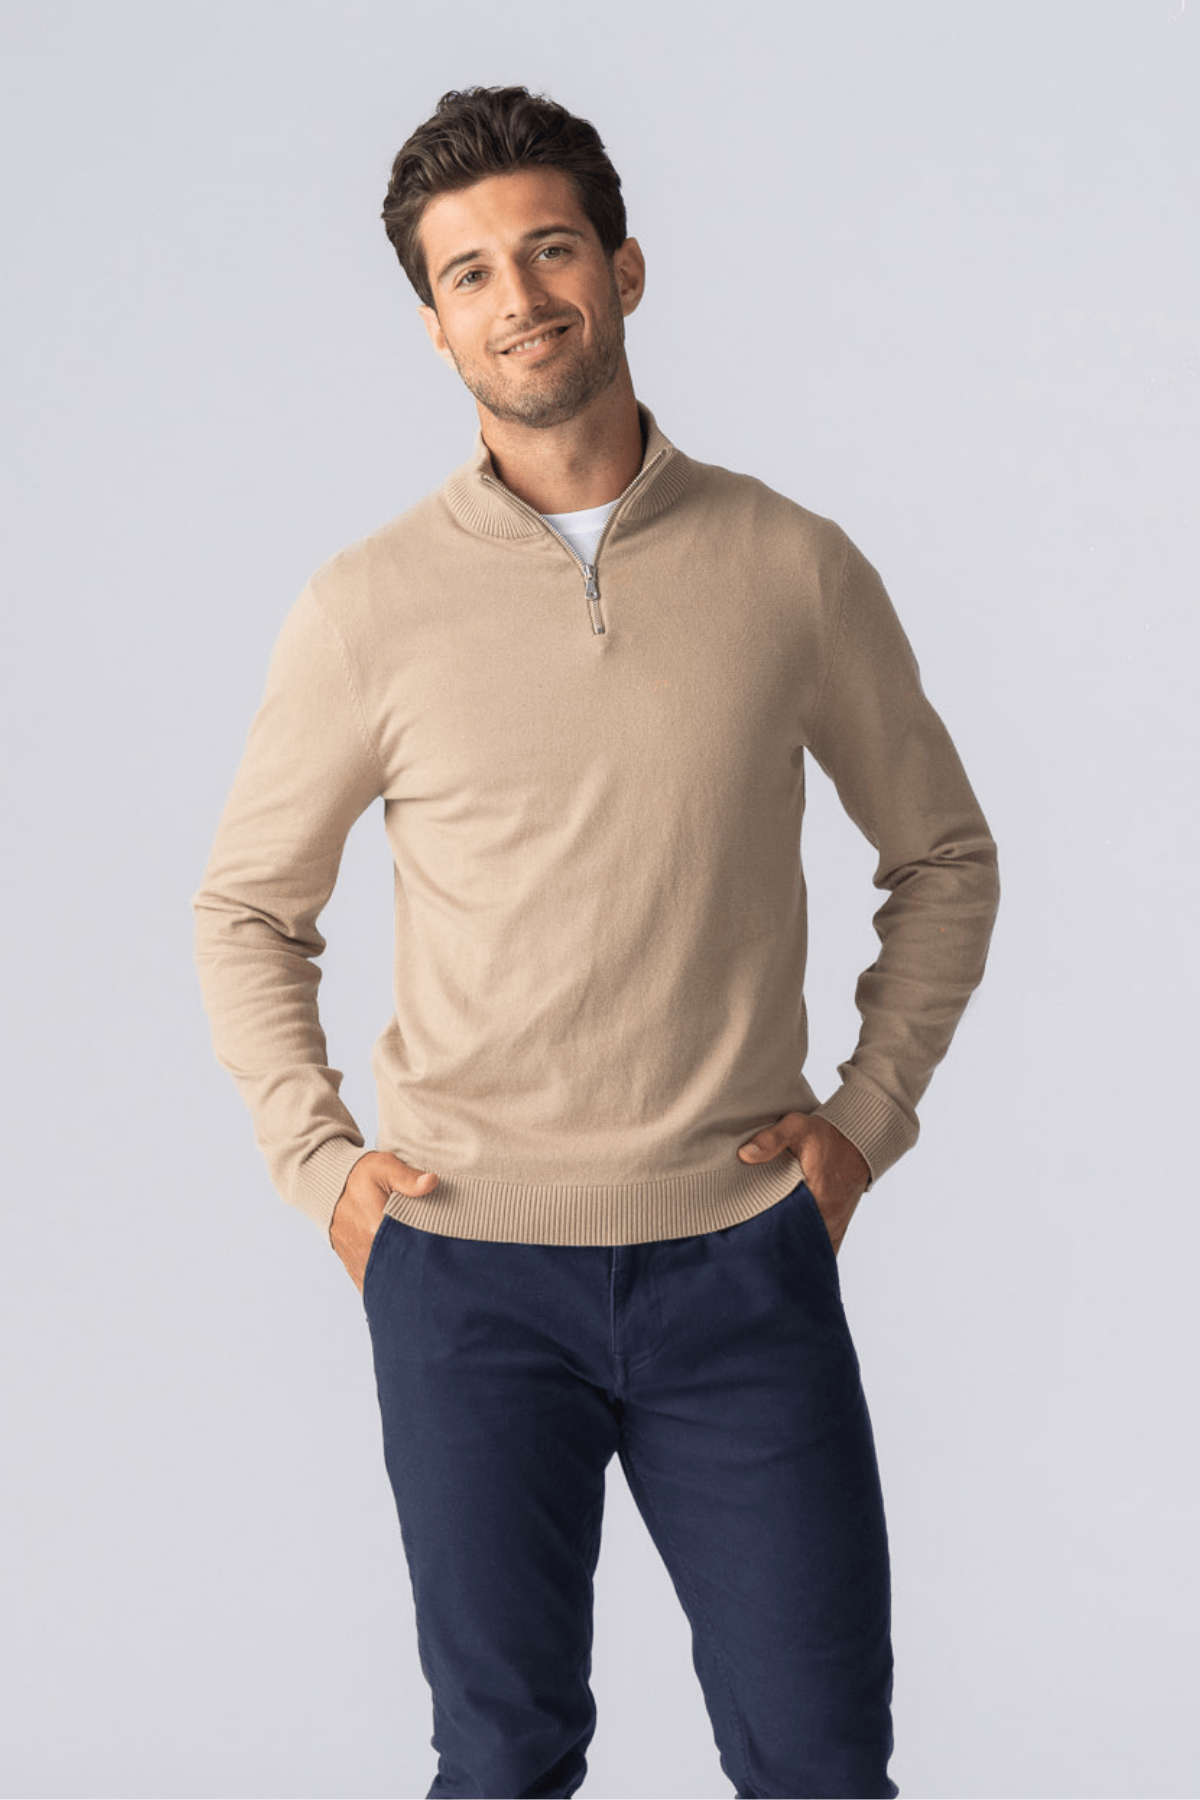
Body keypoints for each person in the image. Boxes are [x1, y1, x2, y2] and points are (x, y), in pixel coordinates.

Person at [192, 84, 1000, 1800]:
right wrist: (319, 1165)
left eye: (550, 249)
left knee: (821, 1764)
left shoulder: (792, 567)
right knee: (501, 1763)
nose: (519, 297)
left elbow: (942, 855)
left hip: (742, 1266)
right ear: (434, 326)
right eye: (469, 273)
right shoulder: (367, 607)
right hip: (464, 1275)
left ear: (624, 268)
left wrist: (867, 1121)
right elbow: (249, 909)